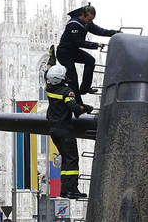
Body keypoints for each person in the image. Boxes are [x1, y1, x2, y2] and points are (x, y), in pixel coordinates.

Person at [45, 65, 93, 199]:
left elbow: (47, 76)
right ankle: (72, 189)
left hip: (54, 131)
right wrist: (85, 107)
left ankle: (64, 190)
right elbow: (75, 109)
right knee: (72, 160)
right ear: (61, 78)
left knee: (66, 160)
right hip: (65, 131)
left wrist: (50, 63)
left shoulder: (49, 90)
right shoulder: (66, 92)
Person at [56, 3, 119, 104]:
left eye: (91, 20)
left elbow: (99, 30)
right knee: (73, 78)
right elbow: (79, 42)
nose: (90, 22)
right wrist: (96, 45)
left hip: (73, 51)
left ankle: (85, 88)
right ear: (82, 15)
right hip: (64, 53)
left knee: (90, 60)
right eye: (89, 19)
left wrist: (114, 33)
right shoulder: (73, 24)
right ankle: (78, 104)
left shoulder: (86, 22)